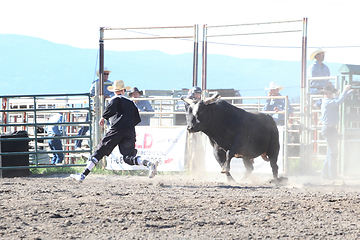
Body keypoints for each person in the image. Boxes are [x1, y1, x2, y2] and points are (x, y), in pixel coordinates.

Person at [70, 80, 159, 183]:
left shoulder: (115, 99)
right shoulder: (131, 103)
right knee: (129, 156)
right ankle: (148, 164)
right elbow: (137, 119)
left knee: (99, 151)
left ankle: (83, 175)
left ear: (114, 91)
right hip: (130, 131)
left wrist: (104, 117)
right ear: (124, 90)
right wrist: (128, 127)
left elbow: (111, 108)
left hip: (117, 129)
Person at [314, 84, 352, 180]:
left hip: (330, 129)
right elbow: (339, 101)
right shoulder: (327, 102)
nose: (329, 95)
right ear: (324, 94)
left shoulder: (329, 101)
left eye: (330, 93)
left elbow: (340, 99)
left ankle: (325, 174)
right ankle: (332, 175)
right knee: (333, 153)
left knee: (331, 152)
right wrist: (345, 90)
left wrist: (349, 91)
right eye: (328, 93)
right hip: (328, 129)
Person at [75, 67, 114, 149]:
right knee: (86, 126)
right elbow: (91, 94)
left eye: (107, 74)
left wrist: (107, 97)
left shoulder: (110, 84)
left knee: (108, 126)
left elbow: (113, 95)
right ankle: (78, 144)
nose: (106, 75)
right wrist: (98, 98)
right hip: (96, 108)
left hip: (106, 108)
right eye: (104, 74)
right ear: (100, 75)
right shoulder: (96, 83)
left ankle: (105, 145)